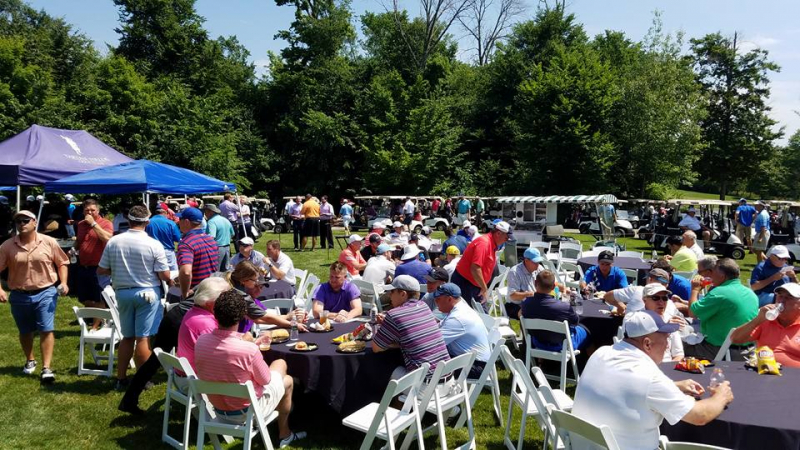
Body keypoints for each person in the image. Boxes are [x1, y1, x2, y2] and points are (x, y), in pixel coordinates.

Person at [572, 310, 733, 450]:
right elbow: (699, 416)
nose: (668, 344)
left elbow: (624, 387)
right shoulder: (649, 377)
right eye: (666, 338)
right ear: (647, 344)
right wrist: (721, 396)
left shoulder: (602, 352)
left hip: (583, 444)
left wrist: (673, 386)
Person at [194, 289, 306, 448]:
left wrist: (250, 346)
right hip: (247, 413)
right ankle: (285, 433)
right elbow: (266, 380)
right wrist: (252, 350)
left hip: (218, 410)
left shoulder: (201, 342)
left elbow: (225, 356)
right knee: (285, 378)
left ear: (215, 313)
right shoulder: (248, 351)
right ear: (242, 316)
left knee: (279, 365)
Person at [118, 276, 230, 414]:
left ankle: (129, 400)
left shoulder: (209, 289)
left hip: (176, 314)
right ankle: (130, 400)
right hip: (184, 318)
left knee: (154, 360)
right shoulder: (208, 313)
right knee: (156, 360)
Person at [97, 205, 171, 390]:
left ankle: (121, 378)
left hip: (123, 292)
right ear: (147, 222)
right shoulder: (153, 244)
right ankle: (142, 379)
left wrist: (120, 269)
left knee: (127, 337)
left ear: (128, 220)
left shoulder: (114, 241)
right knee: (143, 338)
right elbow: (164, 274)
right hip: (147, 291)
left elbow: (102, 269)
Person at [0, 210, 69, 384]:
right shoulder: (7, 246)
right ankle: (30, 359)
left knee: (46, 329)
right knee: (25, 331)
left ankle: (46, 368)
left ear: (34, 222)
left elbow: (62, 262)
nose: (21, 224)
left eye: (25, 220)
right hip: (19, 294)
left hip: (45, 291)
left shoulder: (49, 242)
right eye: (18, 221)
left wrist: (64, 282)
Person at [372, 275, 450, 379]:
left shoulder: (394, 314)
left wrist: (390, 340)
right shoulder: (424, 306)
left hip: (423, 384)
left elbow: (376, 348)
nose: (389, 295)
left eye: (392, 292)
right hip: (448, 379)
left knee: (378, 365)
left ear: (403, 294)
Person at [683, 258, 758, 360]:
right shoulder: (750, 293)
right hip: (749, 352)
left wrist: (695, 290)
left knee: (675, 345)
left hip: (721, 351)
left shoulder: (719, 293)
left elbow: (692, 313)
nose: (711, 276)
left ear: (722, 276)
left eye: (713, 272)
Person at [520, 270, 592, 353]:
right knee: (587, 331)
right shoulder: (564, 306)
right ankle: (589, 363)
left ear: (535, 283)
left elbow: (521, 315)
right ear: (554, 287)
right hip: (562, 344)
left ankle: (541, 361)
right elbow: (575, 322)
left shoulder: (525, 304)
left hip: (538, 342)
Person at [730, 282, 800, 368]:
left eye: (788, 298)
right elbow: (735, 339)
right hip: (765, 373)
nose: (781, 301)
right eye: (780, 296)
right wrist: (757, 320)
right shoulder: (766, 319)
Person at [434, 283, 491, 378]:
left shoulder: (457, 318)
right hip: (474, 361)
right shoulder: (461, 309)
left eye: (438, 299)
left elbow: (434, 344)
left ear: (449, 299)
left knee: (426, 362)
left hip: (474, 366)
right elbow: (438, 326)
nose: (436, 302)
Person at [452, 221, 511, 309]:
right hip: (466, 284)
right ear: (498, 233)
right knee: (471, 314)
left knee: (480, 314)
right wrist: (484, 288)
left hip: (475, 284)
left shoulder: (491, 243)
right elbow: (475, 268)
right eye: (506, 238)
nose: (506, 241)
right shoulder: (484, 243)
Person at [74, 199, 113, 315]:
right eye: (87, 210)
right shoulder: (81, 224)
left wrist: (93, 224)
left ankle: (98, 323)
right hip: (83, 265)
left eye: (92, 210)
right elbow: (79, 241)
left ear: (98, 210)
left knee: (98, 296)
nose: (90, 213)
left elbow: (107, 238)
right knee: (84, 297)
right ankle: (95, 316)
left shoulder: (106, 223)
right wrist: (73, 249)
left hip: (99, 267)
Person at [176, 207, 219, 300]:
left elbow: (186, 272)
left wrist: (185, 293)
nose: (178, 222)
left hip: (197, 293)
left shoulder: (186, 243)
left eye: (180, 219)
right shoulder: (210, 239)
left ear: (186, 221)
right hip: (212, 289)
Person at [641, 283, 684, 362]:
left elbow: (678, 354)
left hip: (668, 367)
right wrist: (664, 328)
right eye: (655, 298)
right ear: (644, 300)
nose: (661, 302)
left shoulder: (669, 319)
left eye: (664, 298)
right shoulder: (634, 319)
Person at [506, 247, 545, 318]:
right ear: (526, 261)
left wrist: (562, 288)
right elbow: (513, 295)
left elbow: (547, 281)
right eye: (535, 262)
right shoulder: (514, 272)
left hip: (533, 302)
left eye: (538, 262)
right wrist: (529, 294)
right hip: (515, 305)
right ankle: (528, 328)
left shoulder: (539, 268)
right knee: (534, 314)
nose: (537, 265)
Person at [146, 205, 182, 271]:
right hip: (167, 252)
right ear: (165, 212)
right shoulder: (171, 223)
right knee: (173, 275)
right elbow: (177, 238)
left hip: (152, 252)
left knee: (155, 274)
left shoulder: (147, 222)